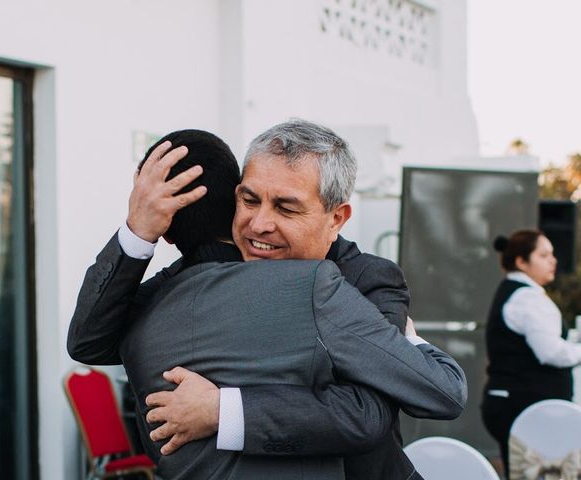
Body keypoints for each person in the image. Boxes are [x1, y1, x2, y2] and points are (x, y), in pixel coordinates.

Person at [68, 123, 465, 479]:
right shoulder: (192, 280)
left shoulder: (368, 278)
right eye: (250, 200)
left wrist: (222, 411)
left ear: (337, 218)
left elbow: (366, 415)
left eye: (286, 208)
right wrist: (139, 232)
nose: (259, 225)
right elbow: (90, 341)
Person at [481, 229, 581, 477]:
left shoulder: (516, 292)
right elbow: (551, 352)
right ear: (521, 262)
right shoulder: (527, 298)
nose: (553, 260)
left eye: (553, 254)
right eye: (544, 255)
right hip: (523, 407)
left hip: (511, 403)